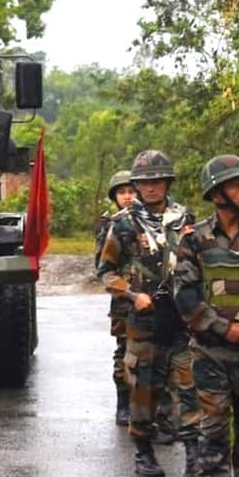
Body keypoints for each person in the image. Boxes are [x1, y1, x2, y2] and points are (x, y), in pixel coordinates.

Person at [98, 149, 201, 477]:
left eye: (157, 181)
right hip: (143, 320)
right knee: (144, 389)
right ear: (136, 185)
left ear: (167, 181)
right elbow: (106, 271)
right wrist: (132, 294)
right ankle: (143, 453)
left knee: (189, 387)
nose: (151, 187)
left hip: (183, 318)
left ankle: (194, 457)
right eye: (144, 182)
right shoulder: (123, 223)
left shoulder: (185, 218)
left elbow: (199, 261)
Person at [173, 154, 239, 477]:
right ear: (217, 192)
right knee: (214, 423)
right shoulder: (194, 239)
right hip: (210, 351)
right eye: (238, 185)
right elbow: (184, 295)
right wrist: (224, 328)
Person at [94, 170, 136, 426]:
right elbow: (101, 264)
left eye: (131, 191)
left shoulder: (151, 220)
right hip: (123, 299)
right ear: (115, 197)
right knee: (123, 351)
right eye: (122, 193)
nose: (128, 197)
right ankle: (123, 403)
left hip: (154, 296)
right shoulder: (111, 225)